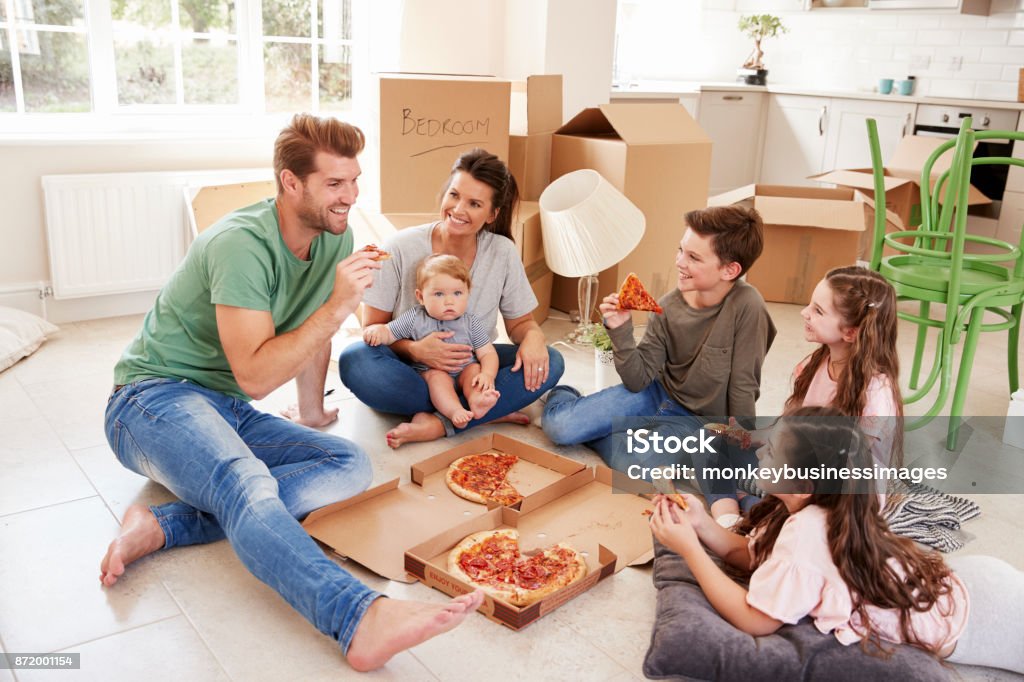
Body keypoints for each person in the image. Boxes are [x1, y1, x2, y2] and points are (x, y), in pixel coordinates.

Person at [99, 113, 483, 672]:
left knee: (347, 462)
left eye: (354, 181)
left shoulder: (336, 236)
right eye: (334, 183)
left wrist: (310, 412)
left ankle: (164, 525)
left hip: (222, 405)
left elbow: (310, 330)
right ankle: (356, 617)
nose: (350, 197)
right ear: (290, 182)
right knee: (246, 478)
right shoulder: (239, 246)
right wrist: (341, 305)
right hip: (149, 400)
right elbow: (256, 377)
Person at [649, 407, 1023, 674]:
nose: (760, 452)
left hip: (983, 618)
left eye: (773, 452)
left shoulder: (809, 532)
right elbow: (750, 555)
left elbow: (755, 620)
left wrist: (689, 550)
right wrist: (700, 524)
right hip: (968, 581)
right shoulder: (803, 509)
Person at [339, 148, 564, 447]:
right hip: (412, 372)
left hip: (472, 368)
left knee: (552, 361)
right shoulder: (401, 246)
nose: (458, 209)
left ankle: (441, 422)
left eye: (474, 203)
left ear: (492, 214)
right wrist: (418, 351)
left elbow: (520, 323)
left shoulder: (502, 252)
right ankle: (482, 410)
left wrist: (534, 336)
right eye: (454, 195)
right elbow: (374, 330)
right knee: (355, 360)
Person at [541, 205, 776, 471]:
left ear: (730, 270)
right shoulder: (667, 306)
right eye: (680, 250)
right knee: (560, 428)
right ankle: (567, 394)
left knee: (641, 466)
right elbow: (636, 380)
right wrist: (621, 329)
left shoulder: (749, 306)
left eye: (694, 258)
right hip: (655, 394)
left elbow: (743, 384)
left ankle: (605, 433)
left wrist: (742, 437)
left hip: (700, 421)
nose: (679, 262)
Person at [707, 265, 902, 527]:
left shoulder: (877, 394)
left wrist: (778, 469)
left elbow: (842, 474)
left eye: (818, 311)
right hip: (796, 472)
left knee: (771, 494)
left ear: (851, 332)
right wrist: (747, 438)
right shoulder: (814, 365)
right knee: (709, 445)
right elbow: (788, 431)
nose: (804, 313)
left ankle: (755, 512)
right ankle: (732, 517)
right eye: (810, 305)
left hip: (836, 497)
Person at [363, 254, 501, 436]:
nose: (449, 301)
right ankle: (454, 411)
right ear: (421, 297)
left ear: (468, 292)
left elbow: (488, 354)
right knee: (437, 378)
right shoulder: (415, 318)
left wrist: (488, 374)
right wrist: (378, 331)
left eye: (458, 293)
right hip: (432, 373)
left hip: (464, 370)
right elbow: (390, 333)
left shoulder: (470, 322)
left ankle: (477, 401)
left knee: (474, 370)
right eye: (439, 294)